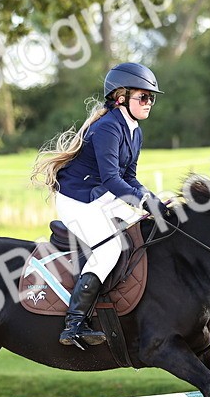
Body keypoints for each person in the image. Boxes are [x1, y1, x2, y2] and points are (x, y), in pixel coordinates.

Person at [31, 62, 165, 347]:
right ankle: (74, 323)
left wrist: (152, 199)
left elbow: (129, 176)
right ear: (121, 97)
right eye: (143, 96)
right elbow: (113, 179)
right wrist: (141, 200)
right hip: (77, 198)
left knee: (142, 231)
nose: (149, 102)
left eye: (151, 97)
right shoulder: (108, 127)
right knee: (110, 248)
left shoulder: (134, 130)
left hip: (100, 194)